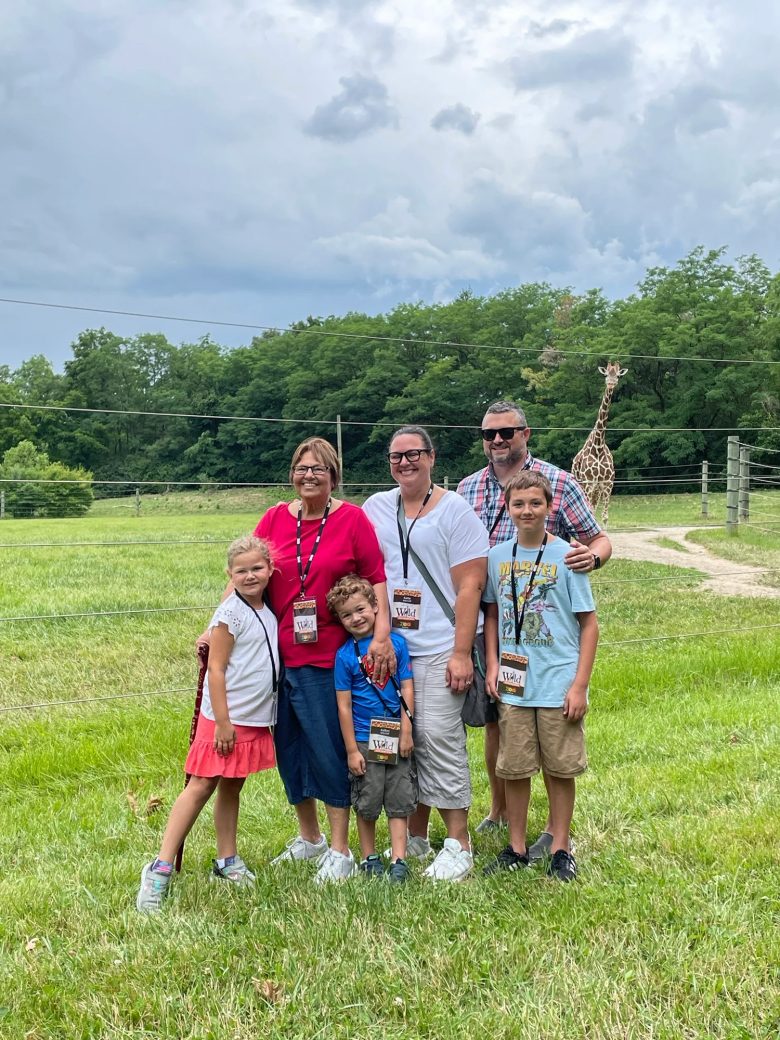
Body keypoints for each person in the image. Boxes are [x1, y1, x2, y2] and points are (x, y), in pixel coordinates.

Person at [457, 400, 611, 856]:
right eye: (490, 434)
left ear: (526, 433)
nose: (499, 440)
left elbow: (597, 538)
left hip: (547, 632)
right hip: (494, 618)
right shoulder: (467, 489)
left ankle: (556, 835)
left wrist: (594, 556)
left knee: (553, 741)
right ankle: (501, 814)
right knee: (497, 724)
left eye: (508, 432)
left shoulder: (559, 482)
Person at [252, 437, 394, 884]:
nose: (308, 475)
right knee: (289, 750)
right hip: (278, 657)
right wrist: (217, 626)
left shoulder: (352, 519)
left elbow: (378, 581)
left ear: (333, 476)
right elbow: (246, 577)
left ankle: (340, 848)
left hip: (328, 659)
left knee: (328, 752)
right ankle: (309, 837)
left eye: (318, 468)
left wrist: (382, 638)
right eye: (301, 467)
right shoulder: (274, 518)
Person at [363, 426, 489, 882]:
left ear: (432, 457)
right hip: (391, 648)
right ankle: (415, 835)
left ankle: (459, 842)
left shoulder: (456, 511)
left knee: (437, 737)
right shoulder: (376, 507)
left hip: (438, 646)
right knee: (400, 743)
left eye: (414, 454)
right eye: (396, 457)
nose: (405, 463)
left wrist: (461, 652)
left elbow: (471, 585)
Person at [136, 535, 280, 912]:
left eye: (257, 568)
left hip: (252, 718)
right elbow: (216, 669)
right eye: (241, 571)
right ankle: (160, 867)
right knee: (202, 786)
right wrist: (223, 722)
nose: (250, 576)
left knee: (232, 787)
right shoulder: (228, 614)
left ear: (270, 570)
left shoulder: (267, 610)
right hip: (224, 719)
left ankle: (226, 859)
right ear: (229, 575)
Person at [482, 472, 599, 881]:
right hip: (514, 686)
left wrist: (579, 684)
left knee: (559, 766)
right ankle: (516, 847)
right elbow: (493, 613)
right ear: (508, 509)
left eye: (535, 503)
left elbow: (589, 625)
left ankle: (561, 847)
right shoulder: (497, 556)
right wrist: (493, 664)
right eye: (519, 504)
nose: (526, 511)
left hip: (557, 682)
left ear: (549, 507)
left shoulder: (569, 556)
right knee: (513, 766)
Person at [327, 575, 416, 884]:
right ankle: (369, 856)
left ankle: (399, 858)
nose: (355, 618)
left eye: (361, 609)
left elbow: (406, 688)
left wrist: (407, 730)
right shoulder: (344, 656)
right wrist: (352, 749)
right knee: (366, 800)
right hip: (364, 739)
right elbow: (344, 706)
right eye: (346, 614)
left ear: (377, 606)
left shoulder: (397, 645)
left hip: (395, 734)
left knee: (398, 798)